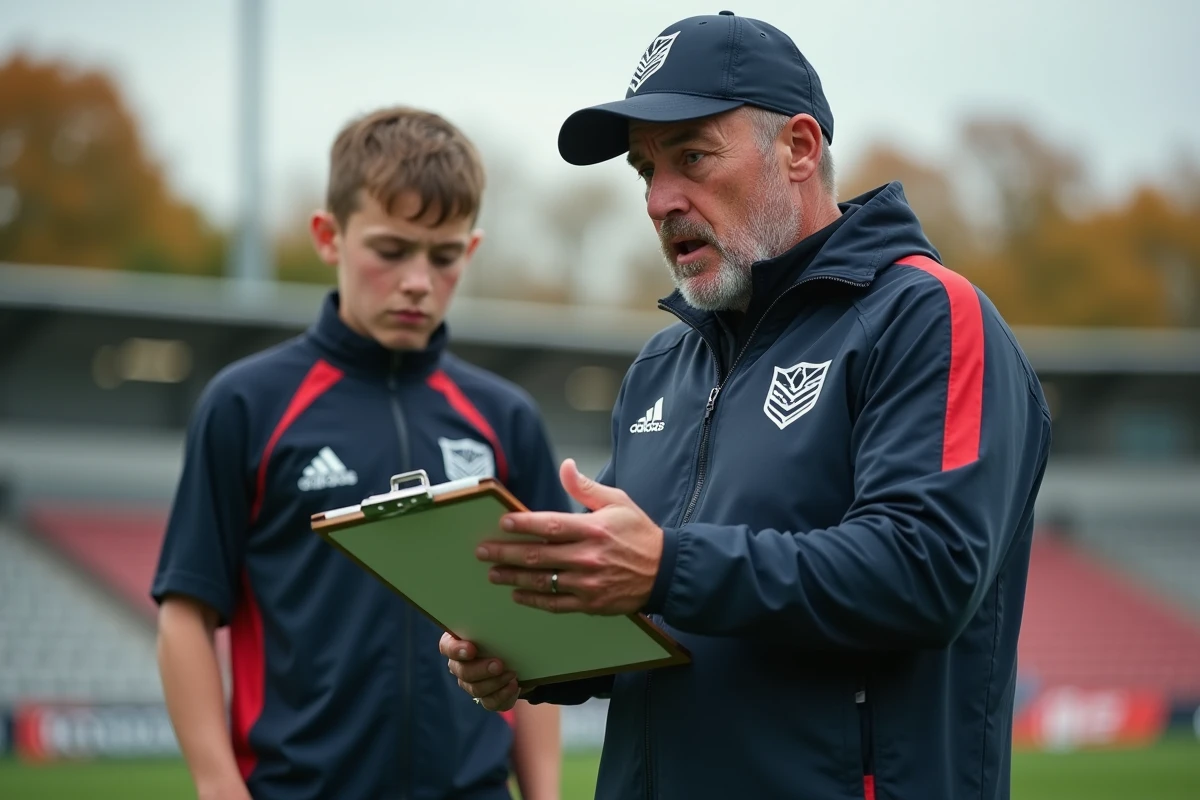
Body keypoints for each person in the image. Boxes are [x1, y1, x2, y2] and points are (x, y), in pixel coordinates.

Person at [443, 11, 1052, 800]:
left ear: (799, 148)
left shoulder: (927, 316)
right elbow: (641, 614)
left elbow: (927, 571)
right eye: (644, 171)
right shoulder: (663, 365)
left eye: (692, 156)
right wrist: (526, 650)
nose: (661, 200)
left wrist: (668, 566)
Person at [152, 106, 565, 800]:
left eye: (443, 256)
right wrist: (218, 785)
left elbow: (539, 625)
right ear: (328, 235)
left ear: (471, 250)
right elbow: (185, 613)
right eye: (391, 250)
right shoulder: (248, 405)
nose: (416, 281)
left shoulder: (505, 418)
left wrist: (545, 793)